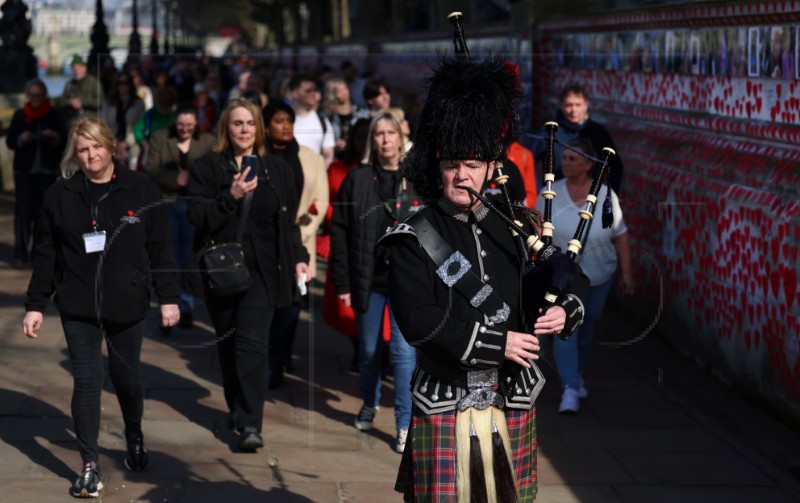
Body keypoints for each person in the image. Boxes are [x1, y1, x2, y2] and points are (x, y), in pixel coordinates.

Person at [381, 57, 588, 502]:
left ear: (492, 167)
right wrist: (502, 343)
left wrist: (563, 309)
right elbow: (419, 321)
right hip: (443, 395)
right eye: (453, 163)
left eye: (473, 163)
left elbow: (571, 278)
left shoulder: (519, 227)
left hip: (511, 395)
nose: (462, 175)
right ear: (437, 166)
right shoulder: (412, 238)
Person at [22, 117, 180, 498]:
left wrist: (170, 297)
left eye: (97, 147)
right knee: (87, 383)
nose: (91, 155)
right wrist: (35, 304)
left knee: (127, 380)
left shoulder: (141, 188)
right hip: (78, 307)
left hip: (128, 304)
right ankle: (89, 465)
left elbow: (161, 246)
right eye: (83, 149)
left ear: (112, 148)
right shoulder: (60, 195)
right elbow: (45, 254)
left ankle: (134, 433)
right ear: (75, 154)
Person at [186, 98, 310, 451]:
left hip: (264, 273)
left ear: (259, 129)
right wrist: (231, 195)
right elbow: (198, 216)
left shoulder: (276, 169)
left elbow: (287, 223)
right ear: (227, 127)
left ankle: (251, 423)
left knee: (252, 346)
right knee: (228, 347)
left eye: (250, 124)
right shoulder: (209, 167)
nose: (244, 130)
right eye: (237, 123)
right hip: (222, 272)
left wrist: (299, 257)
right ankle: (236, 408)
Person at [330, 111, 419, 454]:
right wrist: (343, 283)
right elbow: (340, 231)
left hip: (407, 282)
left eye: (389, 133)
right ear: (372, 141)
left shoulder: (417, 179)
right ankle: (369, 401)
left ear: (399, 138)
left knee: (402, 353)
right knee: (368, 352)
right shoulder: (357, 178)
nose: (384, 140)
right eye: (378, 134)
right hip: (368, 279)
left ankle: (403, 423)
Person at [535, 139, 634, 414]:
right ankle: (569, 388)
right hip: (564, 278)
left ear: (589, 164)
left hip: (599, 275)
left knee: (587, 325)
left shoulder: (605, 196)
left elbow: (620, 235)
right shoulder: (549, 193)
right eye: (564, 158)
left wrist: (627, 274)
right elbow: (534, 231)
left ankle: (575, 374)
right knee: (566, 329)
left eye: (572, 159)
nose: (565, 163)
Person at [262, 101, 328, 389]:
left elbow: (322, 199)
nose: (286, 125)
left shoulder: (309, 157)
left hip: (300, 241)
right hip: (266, 244)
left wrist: (305, 231)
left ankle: (283, 349)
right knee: (268, 304)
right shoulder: (257, 156)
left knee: (292, 304)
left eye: (289, 120)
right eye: (279, 120)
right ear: (266, 126)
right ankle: (271, 360)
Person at [145, 105, 216, 330]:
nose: (184, 130)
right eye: (181, 125)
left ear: (196, 124)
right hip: (167, 202)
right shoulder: (160, 138)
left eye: (189, 126)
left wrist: (191, 180)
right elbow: (152, 169)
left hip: (194, 205)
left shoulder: (207, 141)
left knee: (189, 257)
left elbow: (212, 172)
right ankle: (170, 304)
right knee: (169, 255)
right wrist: (177, 179)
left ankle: (185, 305)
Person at [6, 79, 66, 268]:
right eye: (32, 95)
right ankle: (20, 252)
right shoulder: (20, 115)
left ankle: (39, 252)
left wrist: (54, 136)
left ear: (44, 96)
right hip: (24, 170)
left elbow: (63, 140)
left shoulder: (54, 115)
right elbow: (10, 141)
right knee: (23, 212)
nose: (35, 99)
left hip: (46, 170)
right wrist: (21, 139)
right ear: (27, 96)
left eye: (39, 95)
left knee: (43, 213)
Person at [532, 84, 623, 195]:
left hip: (590, 198)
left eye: (578, 105)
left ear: (586, 105)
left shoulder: (598, 132)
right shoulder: (550, 131)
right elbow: (528, 161)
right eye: (568, 105)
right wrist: (537, 192)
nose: (573, 110)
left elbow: (614, 167)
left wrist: (609, 196)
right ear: (561, 105)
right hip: (555, 197)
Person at [99, 71, 145, 169]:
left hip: (132, 140)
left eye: (126, 83)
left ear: (130, 85)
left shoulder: (138, 104)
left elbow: (140, 127)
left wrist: (127, 143)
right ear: (116, 85)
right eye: (120, 83)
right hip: (112, 139)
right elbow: (103, 124)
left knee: (134, 155)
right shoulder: (108, 103)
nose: (123, 86)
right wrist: (113, 141)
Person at [288, 74, 335, 167]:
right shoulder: (284, 121)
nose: (313, 94)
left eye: (315, 90)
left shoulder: (323, 122)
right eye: (308, 91)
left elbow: (329, 156)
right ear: (294, 94)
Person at [322, 77, 368, 159]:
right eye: (339, 91)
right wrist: (334, 144)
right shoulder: (327, 116)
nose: (344, 93)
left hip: (357, 158)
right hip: (336, 159)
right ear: (332, 94)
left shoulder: (360, 112)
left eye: (345, 89)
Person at [60, 54, 104, 125]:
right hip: (72, 120)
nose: (77, 70)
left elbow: (100, 101)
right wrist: (70, 102)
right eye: (74, 68)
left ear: (85, 68)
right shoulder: (69, 84)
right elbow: (61, 101)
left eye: (79, 68)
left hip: (90, 120)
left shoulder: (94, 82)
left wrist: (83, 102)